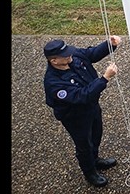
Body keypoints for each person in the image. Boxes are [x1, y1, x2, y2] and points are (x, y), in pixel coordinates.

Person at [43, 36, 121, 188]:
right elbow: (81, 96)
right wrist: (104, 78)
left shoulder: (72, 56)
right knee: (84, 143)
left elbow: (90, 54)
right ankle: (90, 172)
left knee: (96, 133)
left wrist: (109, 45)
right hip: (75, 117)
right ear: (54, 61)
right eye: (65, 55)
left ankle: (95, 159)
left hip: (92, 106)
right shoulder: (53, 83)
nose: (70, 55)